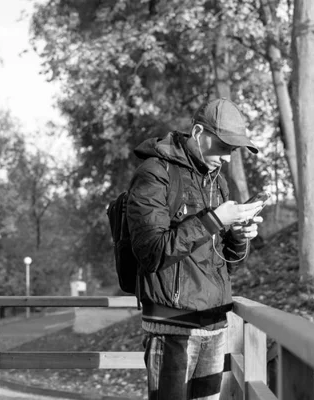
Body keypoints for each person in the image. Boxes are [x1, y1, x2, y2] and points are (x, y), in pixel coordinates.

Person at [126, 98, 264, 400]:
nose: (228, 158)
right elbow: (151, 252)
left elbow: (227, 264)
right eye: (224, 146)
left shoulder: (219, 182)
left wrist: (239, 236)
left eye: (234, 150)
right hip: (171, 328)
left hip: (215, 325)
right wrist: (214, 220)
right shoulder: (154, 173)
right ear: (199, 132)